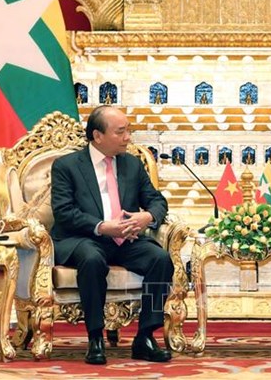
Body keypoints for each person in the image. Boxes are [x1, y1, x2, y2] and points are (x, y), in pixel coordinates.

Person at [51, 105, 174, 365]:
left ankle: (145, 337)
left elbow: (156, 200)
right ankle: (95, 337)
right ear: (98, 136)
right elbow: (64, 212)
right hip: (84, 238)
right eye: (121, 132)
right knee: (92, 259)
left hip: (125, 239)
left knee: (159, 258)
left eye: (128, 130)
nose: (128, 137)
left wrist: (147, 217)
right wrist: (103, 227)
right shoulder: (67, 166)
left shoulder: (131, 164)